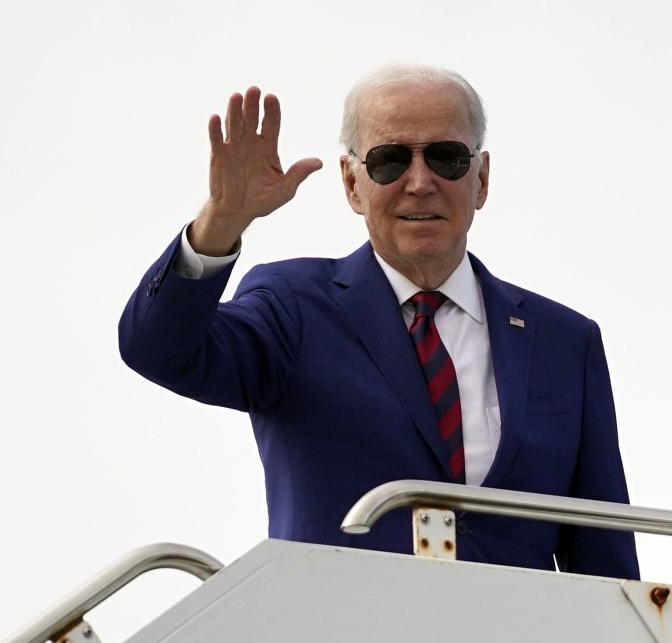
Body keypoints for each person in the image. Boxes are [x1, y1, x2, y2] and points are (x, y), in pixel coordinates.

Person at [119, 65, 638, 579]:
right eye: (390, 160)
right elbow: (159, 349)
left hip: (520, 633)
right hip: (343, 629)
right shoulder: (294, 308)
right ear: (352, 183)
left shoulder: (564, 342)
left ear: (480, 179)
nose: (420, 182)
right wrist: (220, 224)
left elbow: (606, 563)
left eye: (446, 157)